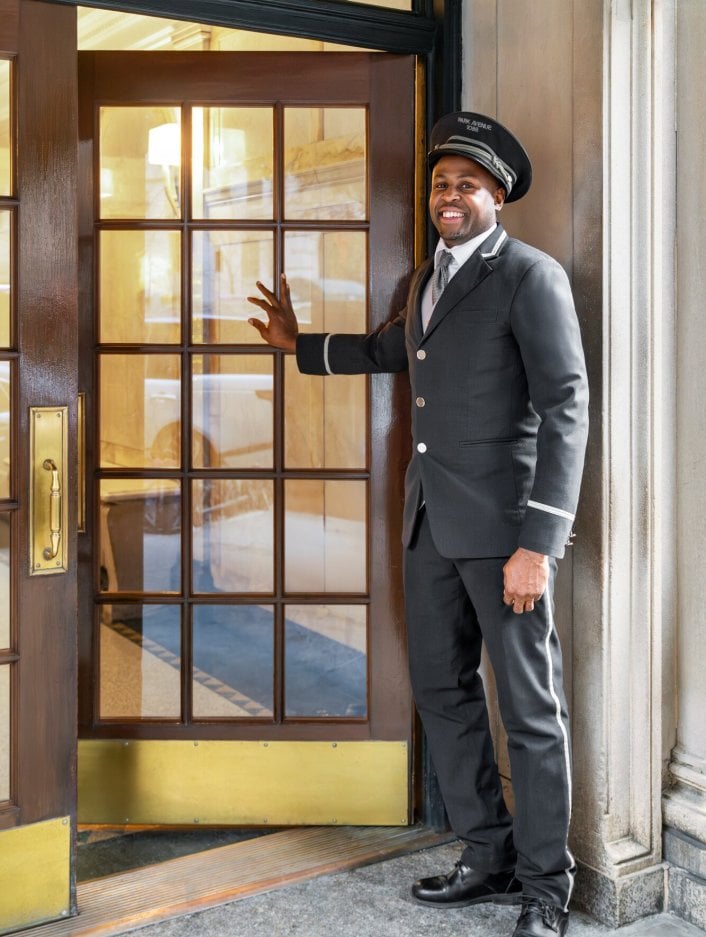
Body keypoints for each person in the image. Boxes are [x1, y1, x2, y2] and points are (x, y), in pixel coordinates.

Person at [248, 111, 589, 937]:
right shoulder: (423, 279)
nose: (450, 194)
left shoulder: (529, 276)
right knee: (443, 689)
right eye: (441, 182)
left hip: (506, 534)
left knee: (531, 710)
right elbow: (390, 350)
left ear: (497, 195)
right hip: (430, 523)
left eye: (466, 183)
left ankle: (548, 887)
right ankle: (488, 852)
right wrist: (302, 346)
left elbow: (567, 407)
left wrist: (537, 545)